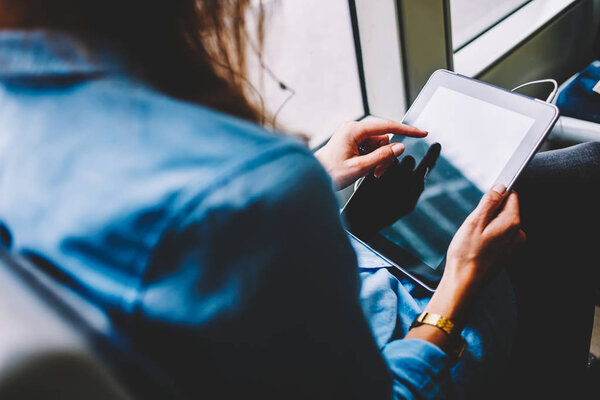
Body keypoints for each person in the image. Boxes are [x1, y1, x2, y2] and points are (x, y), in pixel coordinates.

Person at [0, 1, 597, 398]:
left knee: (540, 182)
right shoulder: (244, 188)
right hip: (415, 336)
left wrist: (314, 173)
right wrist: (457, 293)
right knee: (576, 183)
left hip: (323, 287)